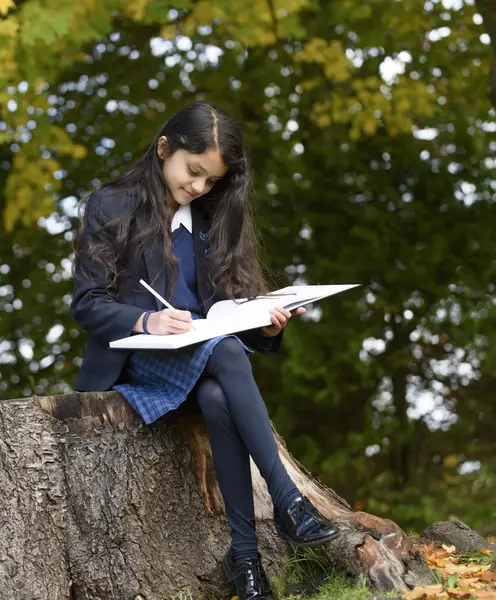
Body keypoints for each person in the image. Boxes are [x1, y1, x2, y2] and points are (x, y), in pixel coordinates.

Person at [71, 102, 339, 600]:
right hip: (138, 364)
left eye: (210, 180)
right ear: (163, 148)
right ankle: (288, 503)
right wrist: (147, 319)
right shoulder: (111, 205)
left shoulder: (213, 218)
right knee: (227, 358)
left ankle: (246, 560)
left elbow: (229, 311)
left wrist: (268, 321)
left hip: (206, 363)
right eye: (193, 172)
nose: (198, 187)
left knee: (220, 392)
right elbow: (87, 305)